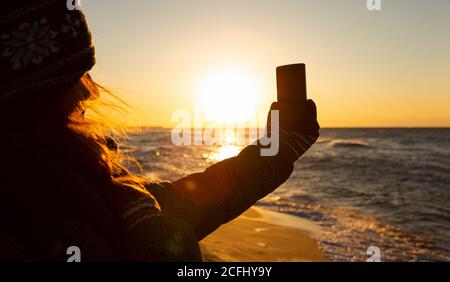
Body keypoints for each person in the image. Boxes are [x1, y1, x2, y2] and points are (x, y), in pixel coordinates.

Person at [0, 1, 319, 261]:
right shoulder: (48, 222)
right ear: (36, 96)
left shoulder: (85, 188)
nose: (92, 92)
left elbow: (199, 198)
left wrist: (279, 146)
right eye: (80, 77)